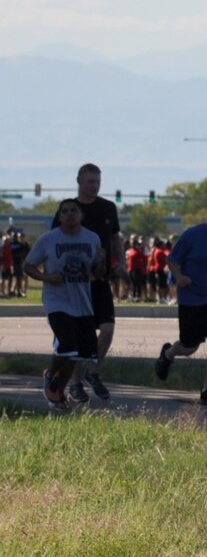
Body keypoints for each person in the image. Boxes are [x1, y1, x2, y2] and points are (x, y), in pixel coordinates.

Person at [155, 200, 207, 406]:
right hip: (192, 298)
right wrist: (179, 276)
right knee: (190, 346)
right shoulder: (192, 235)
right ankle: (168, 354)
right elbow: (172, 260)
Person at [24, 199, 104, 408]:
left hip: (82, 302)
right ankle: (53, 389)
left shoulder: (92, 238)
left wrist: (101, 262)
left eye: (74, 211)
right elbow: (28, 266)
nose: (70, 214)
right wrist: (47, 278)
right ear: (59, 216)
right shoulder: (48, 239)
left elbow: (97, 272)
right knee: (68, 345)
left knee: (79, 352)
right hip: (57, 301)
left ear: (81, 215)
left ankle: (55, 386)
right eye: (65, 211)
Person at [55, 163, 121, 403]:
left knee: (108, 328)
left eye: (98, 182)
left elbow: (115, 237)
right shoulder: (69, 209)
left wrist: (120, 262)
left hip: (100, 280)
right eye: (90, 182)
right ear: (79, 182)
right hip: (75, 284)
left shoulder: (108, 208)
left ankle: (93, 372)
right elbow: (55, 242)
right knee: (77, 334)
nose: (94, 186)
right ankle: (74, 384)